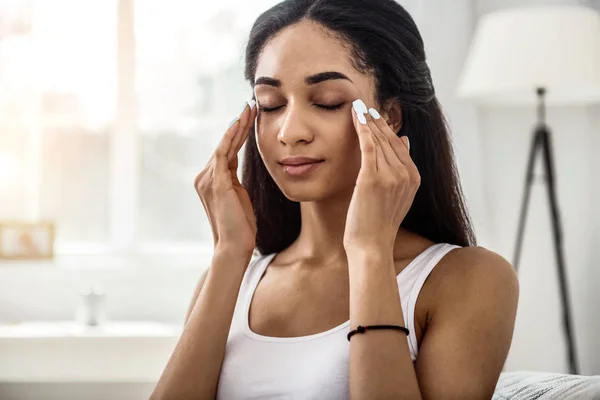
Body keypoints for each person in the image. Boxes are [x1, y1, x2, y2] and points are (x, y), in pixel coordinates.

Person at [150, 0, 519, 399]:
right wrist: (228, 255)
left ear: (390, 116)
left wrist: (370, 252)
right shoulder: (233, 279)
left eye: (327, 101)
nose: (290, 132)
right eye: (271, 104)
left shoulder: (467, 279)